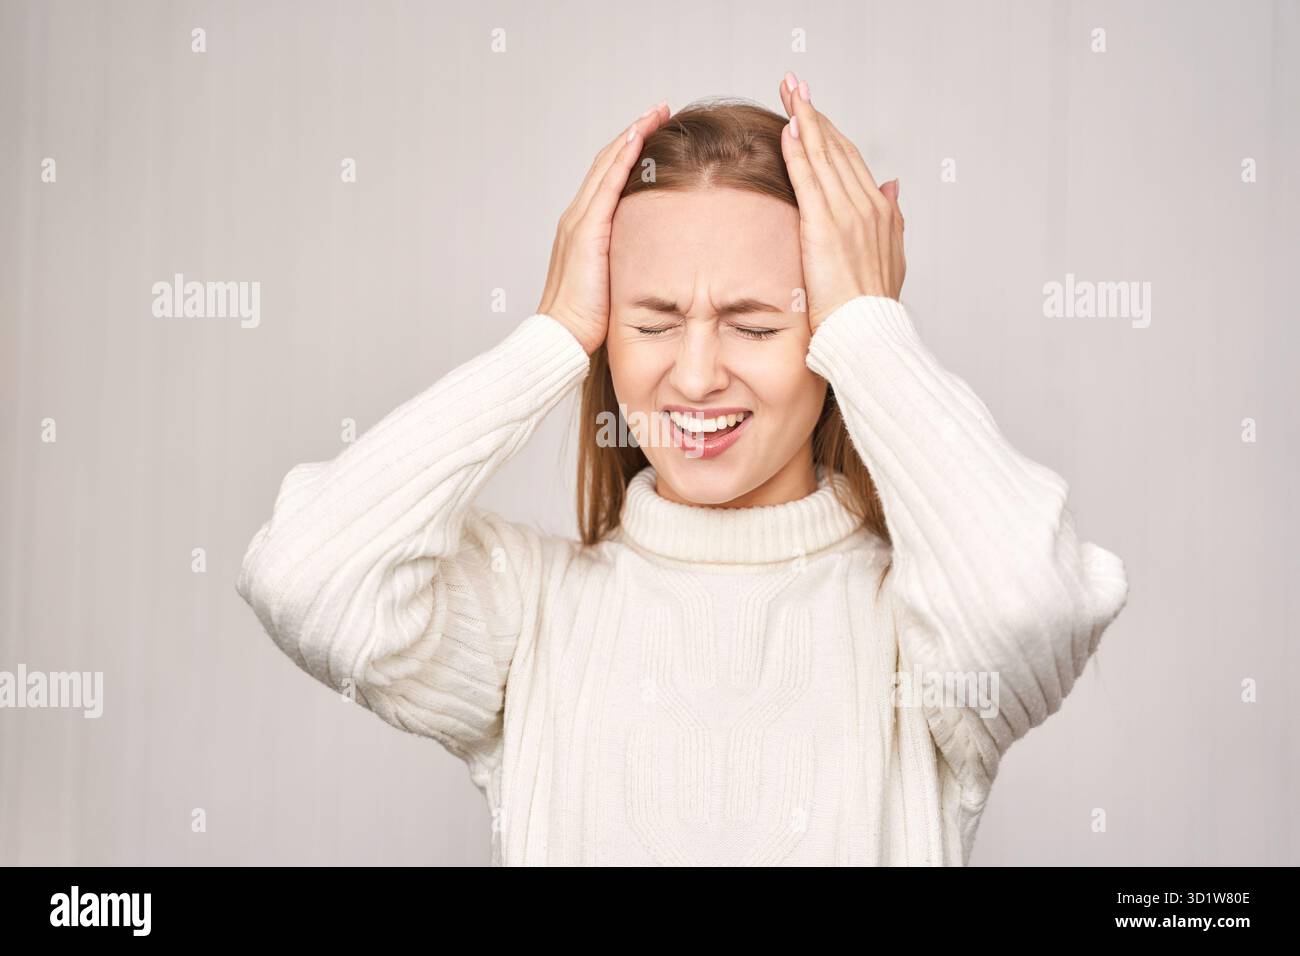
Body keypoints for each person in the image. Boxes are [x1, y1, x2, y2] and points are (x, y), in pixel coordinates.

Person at [236, 72, 1129, 866]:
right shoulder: (531, 613)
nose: (696, 375)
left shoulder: (922, 636)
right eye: (654, 323)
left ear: (828, 340)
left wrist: (869, 325)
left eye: (755, 325)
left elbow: (1029, 604)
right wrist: (546, 339)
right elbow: (305, 575)